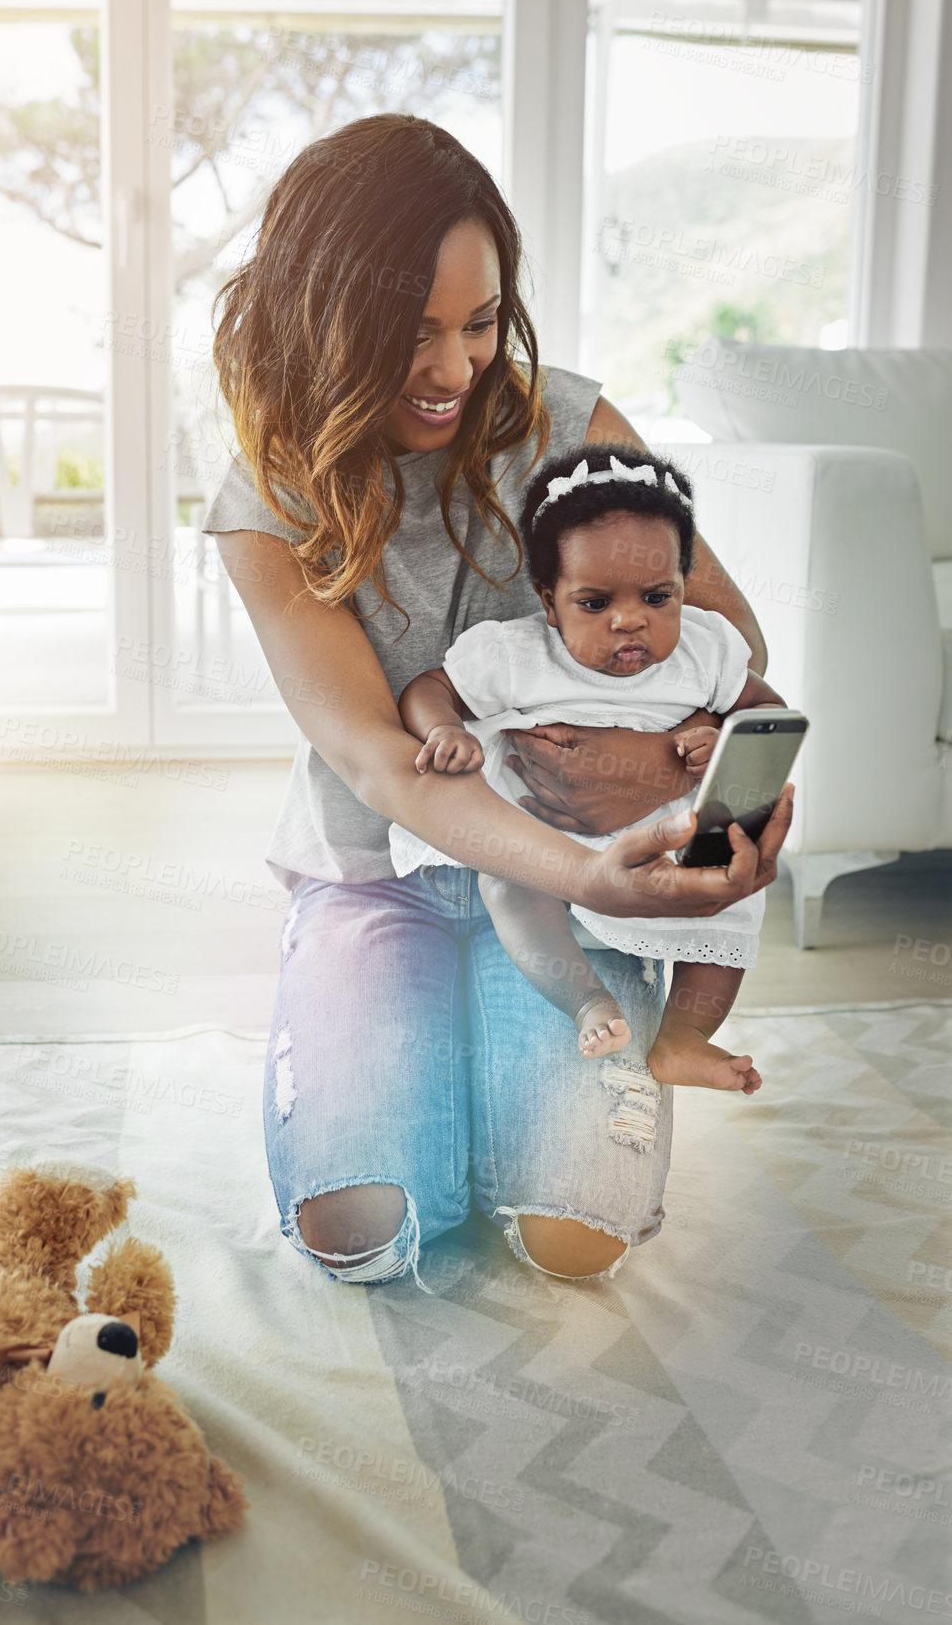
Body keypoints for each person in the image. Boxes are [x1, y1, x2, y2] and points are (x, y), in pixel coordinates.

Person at [204, 112, 791, 1289]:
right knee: (359, 1228)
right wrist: (580, 870)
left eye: (479, 325)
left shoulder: (571, 426)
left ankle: (493, 1043)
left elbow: (729, 642)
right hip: (381, 874)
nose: (456, 370)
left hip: (574, 898)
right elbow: (377, 758)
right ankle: (396, 1012)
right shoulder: (264, 500)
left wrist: (675, 775)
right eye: (410, 335)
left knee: (580, 1237)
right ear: (323, 322)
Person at [390, 444, 787, 1090]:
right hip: (547, 837)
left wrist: (720, 738)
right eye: (594, 603)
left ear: (684, 587)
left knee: (733, 897)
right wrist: (442, 730)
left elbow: (764, 711)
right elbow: (427, 690)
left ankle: (683, 1035)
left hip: (661, 841)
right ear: (549, 603)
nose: (630, 620)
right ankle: (585, 999)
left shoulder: (703, 651)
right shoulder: (516, 654)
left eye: (657, 597)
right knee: (510, 887)